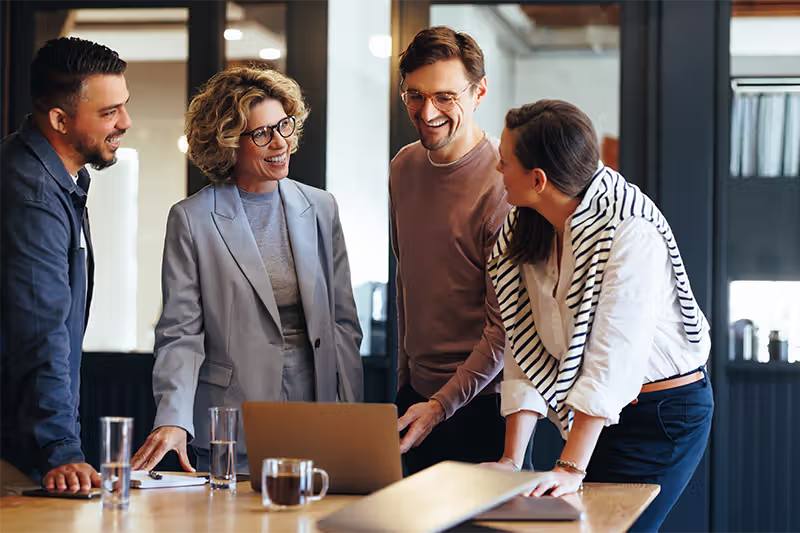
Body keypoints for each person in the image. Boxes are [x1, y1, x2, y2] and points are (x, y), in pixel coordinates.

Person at [488, 100, 713, 532]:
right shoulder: (526, 224)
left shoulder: (630, 230)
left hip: (663, 416)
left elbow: (614, 359)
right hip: (598, 416)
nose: (497, 170)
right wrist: (511, 461)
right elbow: (523, 340)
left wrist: (570, 467)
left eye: (504, 162)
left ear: (538, 180)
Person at [131, 66, 363, 474]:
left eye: (284, 126)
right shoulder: (192, 219)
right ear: (228, 143)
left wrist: (350, 416)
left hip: (318, 415)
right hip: (232, 421)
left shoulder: (321, 207)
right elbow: (180, 333)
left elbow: (343, 324)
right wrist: (173, 417)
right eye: (261, 134)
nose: (280, 143)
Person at [0, 37, 131, 491]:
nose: (125, 122)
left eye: (124, 107)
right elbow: (41, 328)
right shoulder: (33, 193)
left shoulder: (55, 179)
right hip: (17, 454)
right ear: (59, 119)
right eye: (109, 112)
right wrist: (59, 449)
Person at [391, 26, 511, 475]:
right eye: (415, 96)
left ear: (479, 92)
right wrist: (407, 387)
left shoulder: (504, 182)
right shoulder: (403, 167)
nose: (427, 112)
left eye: (445, 97)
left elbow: (504, 329)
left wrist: (441, 405)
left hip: (484, 408)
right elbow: (407, 281)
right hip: (414, 401)